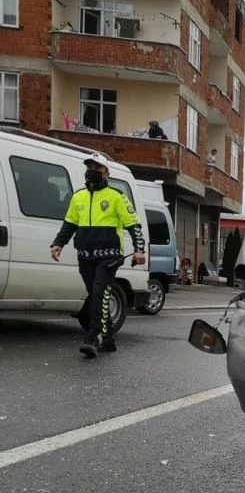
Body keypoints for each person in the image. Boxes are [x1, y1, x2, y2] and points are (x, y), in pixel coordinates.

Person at [50, 152, 146, 357]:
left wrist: (139, 250)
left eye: (97, 168)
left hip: (109, 256)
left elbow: (134, 225)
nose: (91, 172)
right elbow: (69, 224)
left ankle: (93, 337)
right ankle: (109, 339)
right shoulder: (78, 196)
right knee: (96, 296)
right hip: (85, 255)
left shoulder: (117, 197)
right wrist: (58, 243)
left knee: (100, 292)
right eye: (89, 168)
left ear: (106, 173)